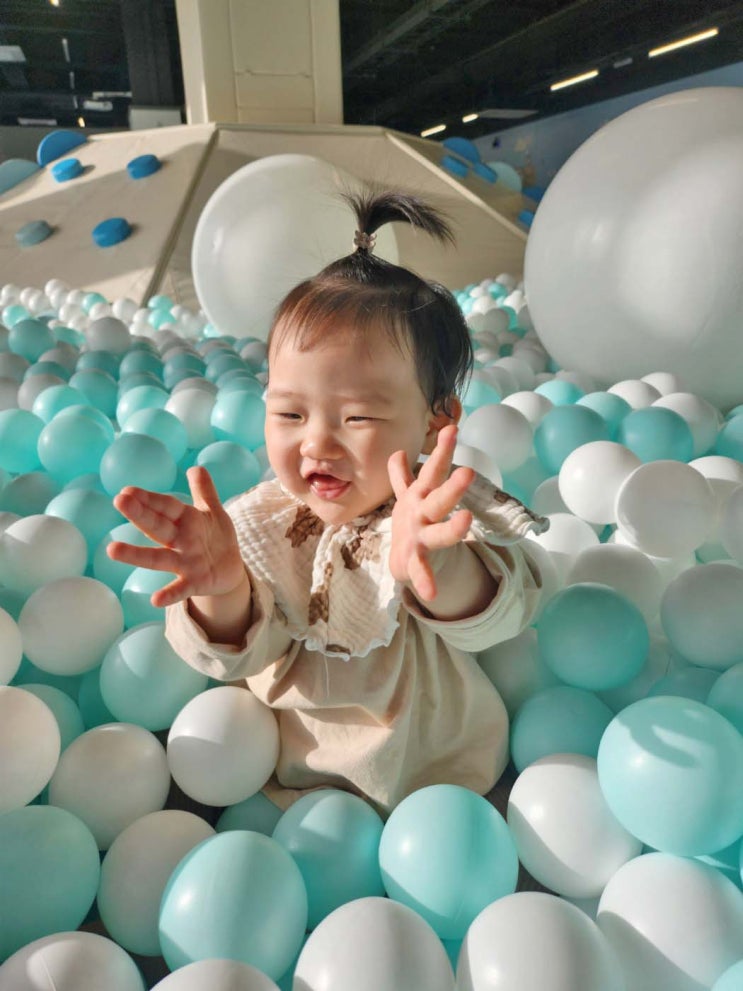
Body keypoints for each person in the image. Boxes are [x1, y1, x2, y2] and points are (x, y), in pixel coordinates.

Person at [108, 189, 547, 814]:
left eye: (358, 416)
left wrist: (437, 566)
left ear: (435, 422)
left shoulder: (436, 512)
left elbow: (507, 615)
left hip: (444, 782)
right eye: (289, 413)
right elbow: (236, 657)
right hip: (292, 791)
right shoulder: (263, 523)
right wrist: (224, 590)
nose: (316, 443)